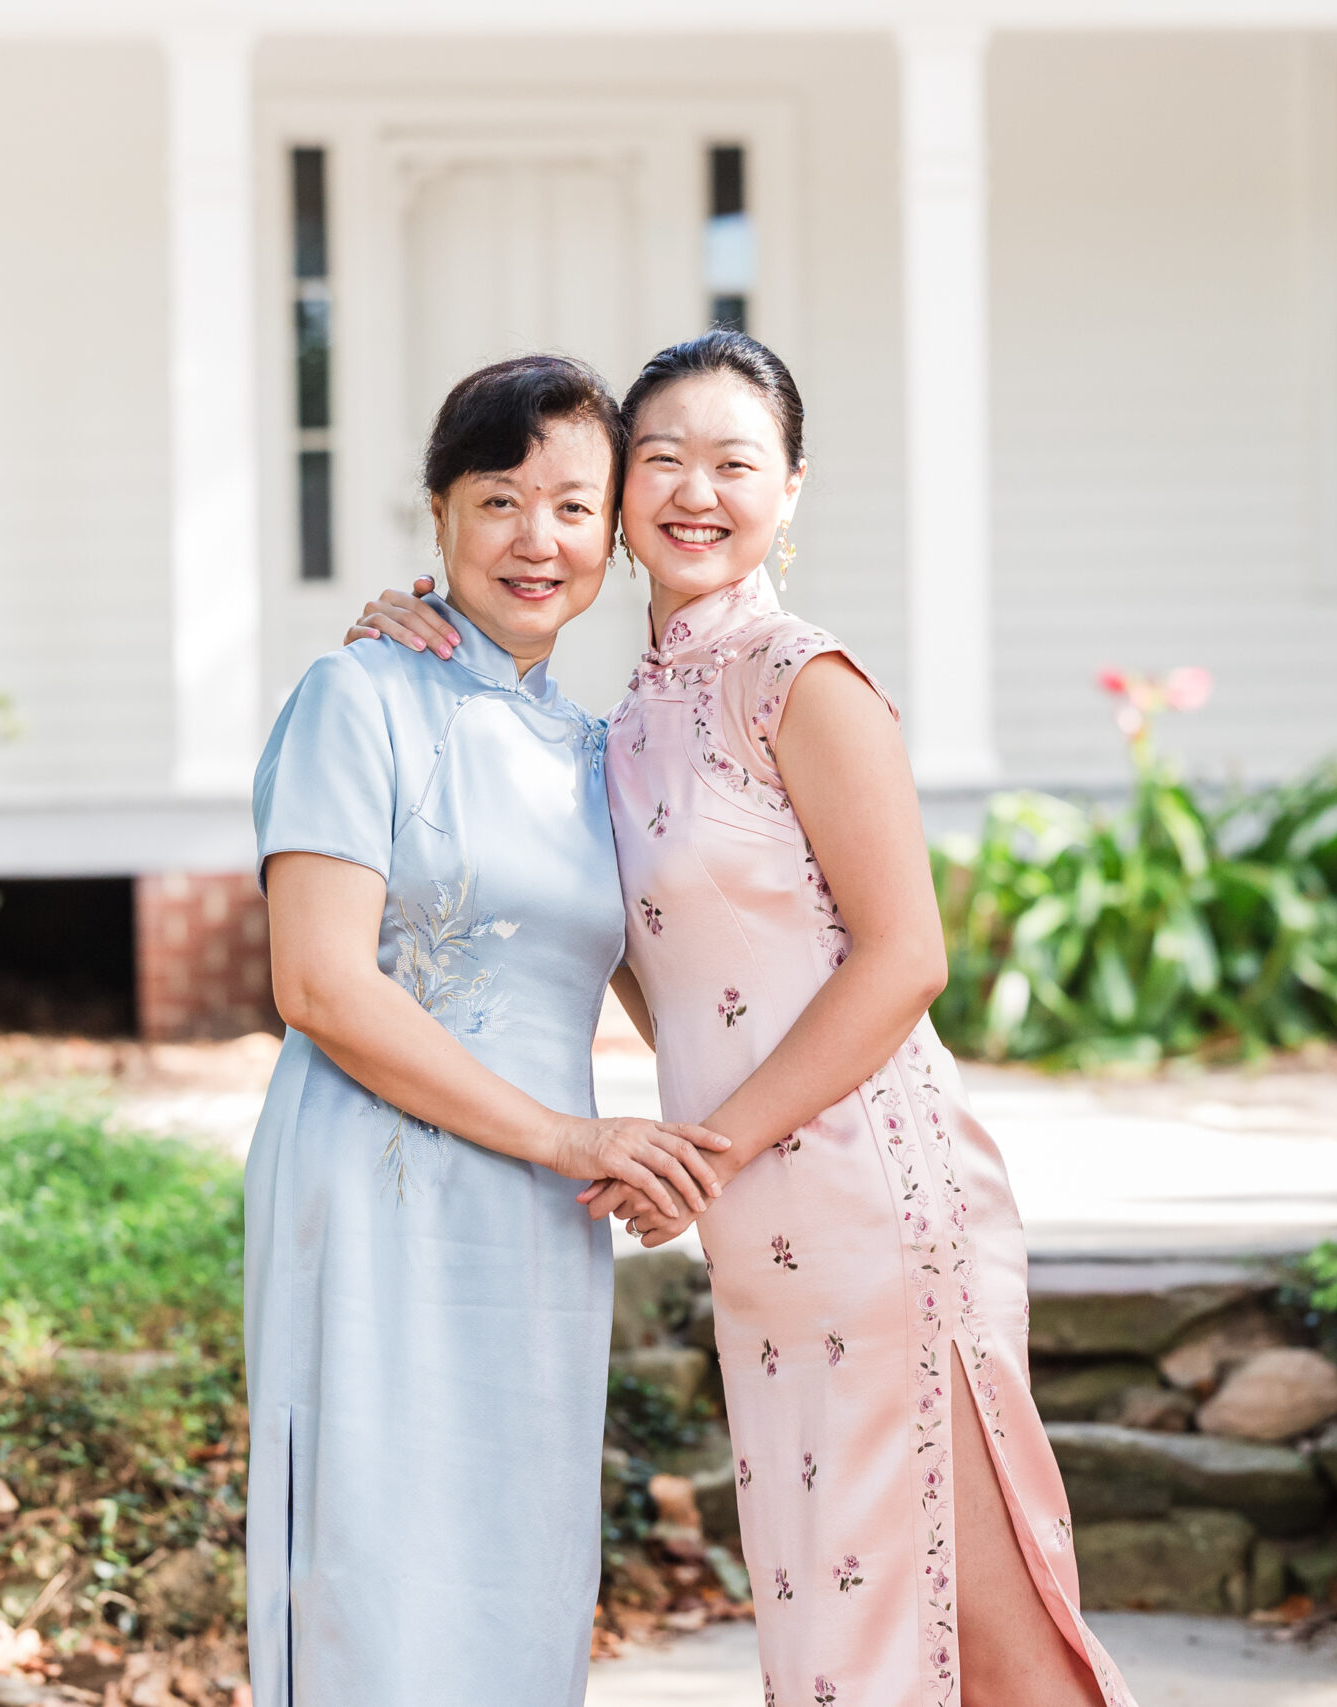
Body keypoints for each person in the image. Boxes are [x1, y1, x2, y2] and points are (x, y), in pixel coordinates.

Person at [348, 332, 1134, 1707]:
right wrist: (414, 620)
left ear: (792, 488)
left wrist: (701, 1150)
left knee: (982, 1631)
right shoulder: (618, 723)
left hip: (882, 1202)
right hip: (764, 1231)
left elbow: (905, 963)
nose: (694, 491)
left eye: (735, 461)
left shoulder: (801, 678)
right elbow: (632, 949)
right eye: (660, 460)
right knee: (843, 1629)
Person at [246, 353, 734, 1707]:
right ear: (440, 515)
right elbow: (321, 987)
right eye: (499, 498)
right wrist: (571, 1135)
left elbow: (668, 979)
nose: (539, 539)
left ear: (616, 534)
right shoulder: (358, 697)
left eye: (575, 507)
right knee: (372, 1565)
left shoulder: (596, 751)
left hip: (539, 1220)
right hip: (378, 1196)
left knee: (514, 1564)